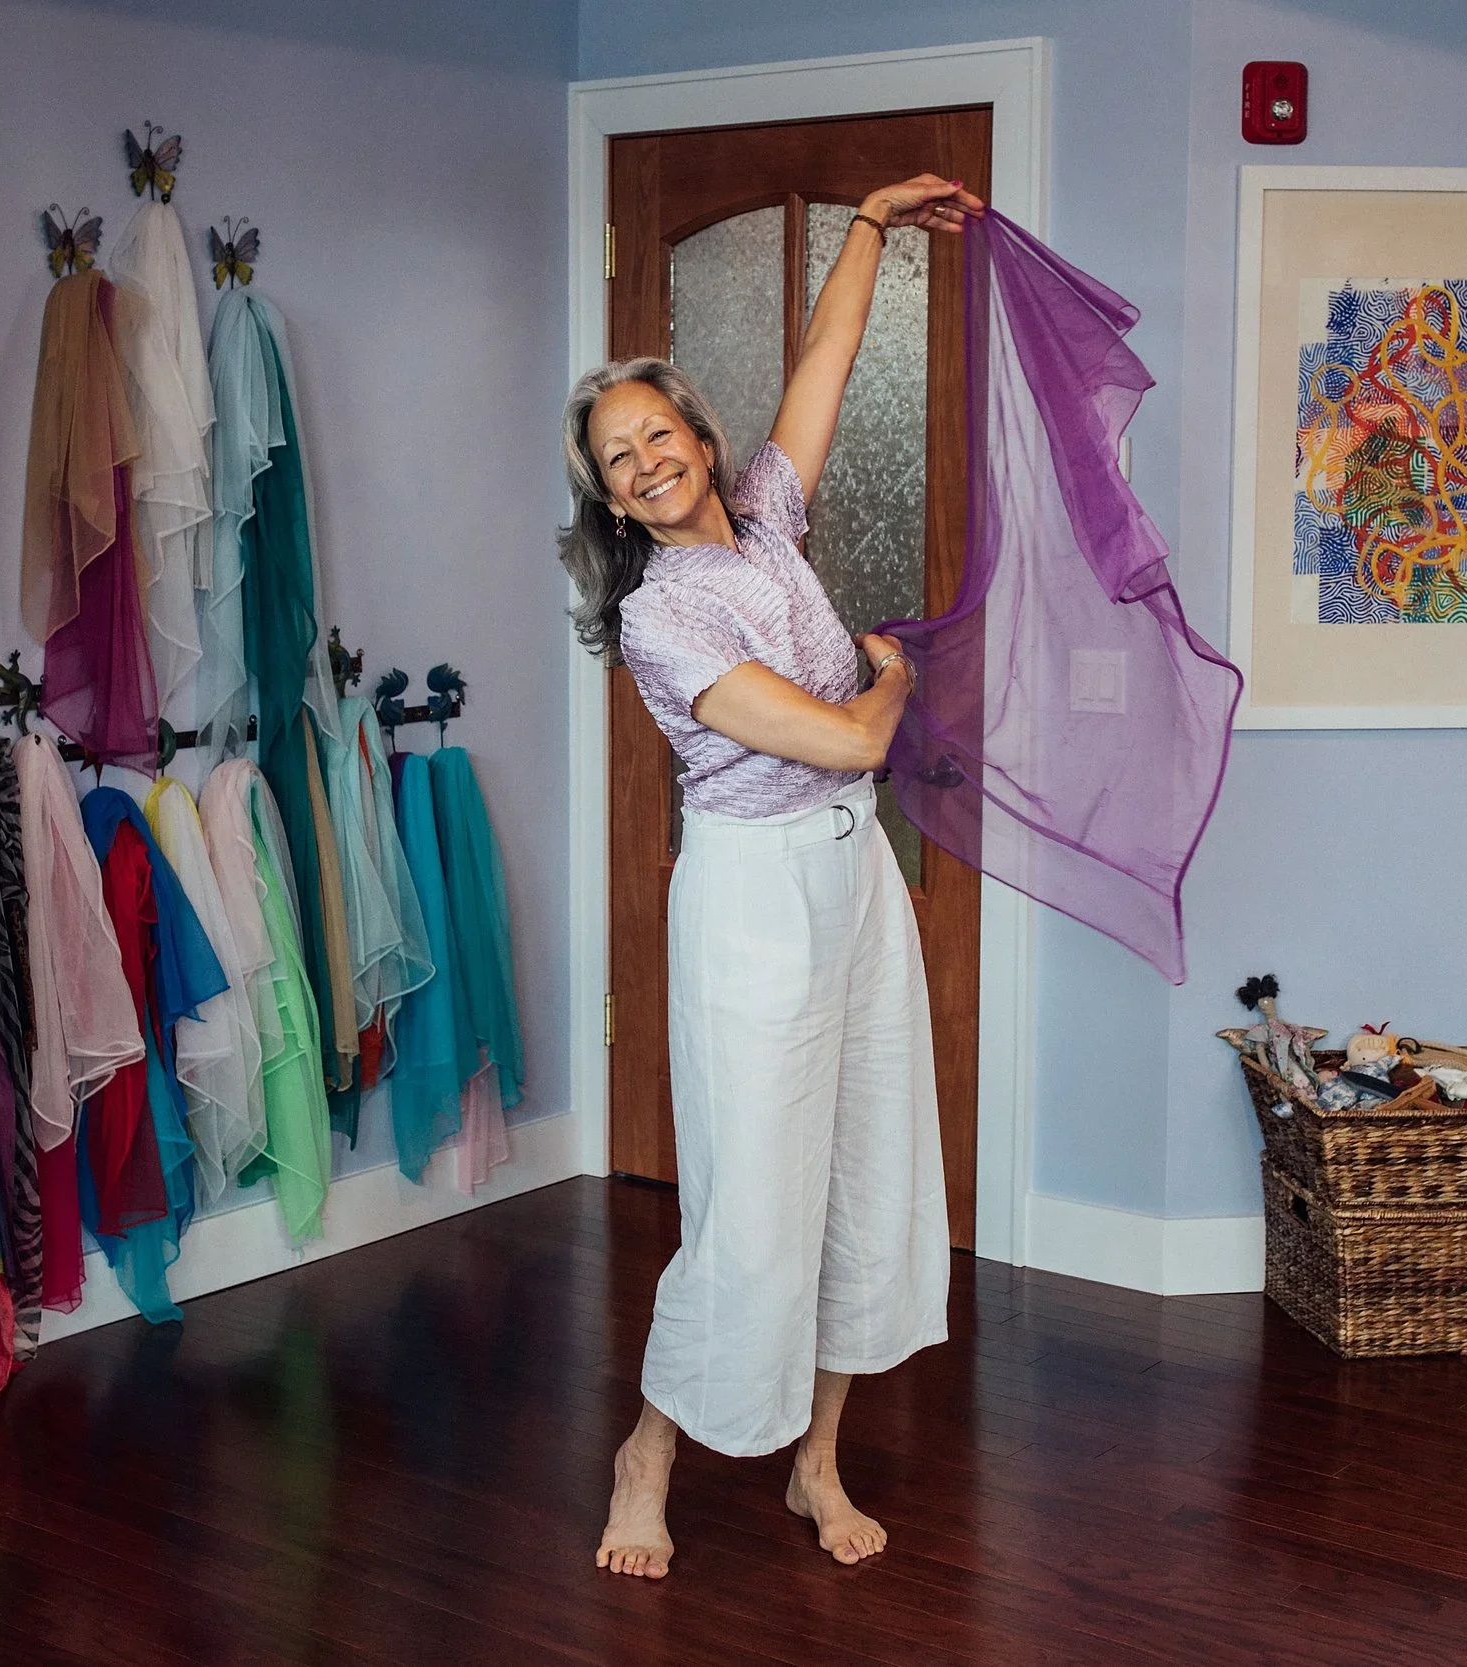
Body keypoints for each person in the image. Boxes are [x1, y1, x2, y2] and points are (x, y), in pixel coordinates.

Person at [558, 174, 983, 1578]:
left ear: (697, 434)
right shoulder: (658, 617)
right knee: (752, 1197)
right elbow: (835, 737)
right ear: (610, 498)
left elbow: (826, 365)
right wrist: (889, 686)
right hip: (750, 902)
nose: (645, 463)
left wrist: (866, 220)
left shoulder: (770, 520)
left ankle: (816, 1458)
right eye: (616, 460)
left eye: (656, 434)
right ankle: (651, 1451)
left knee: (867, 1166)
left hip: (854, 885)